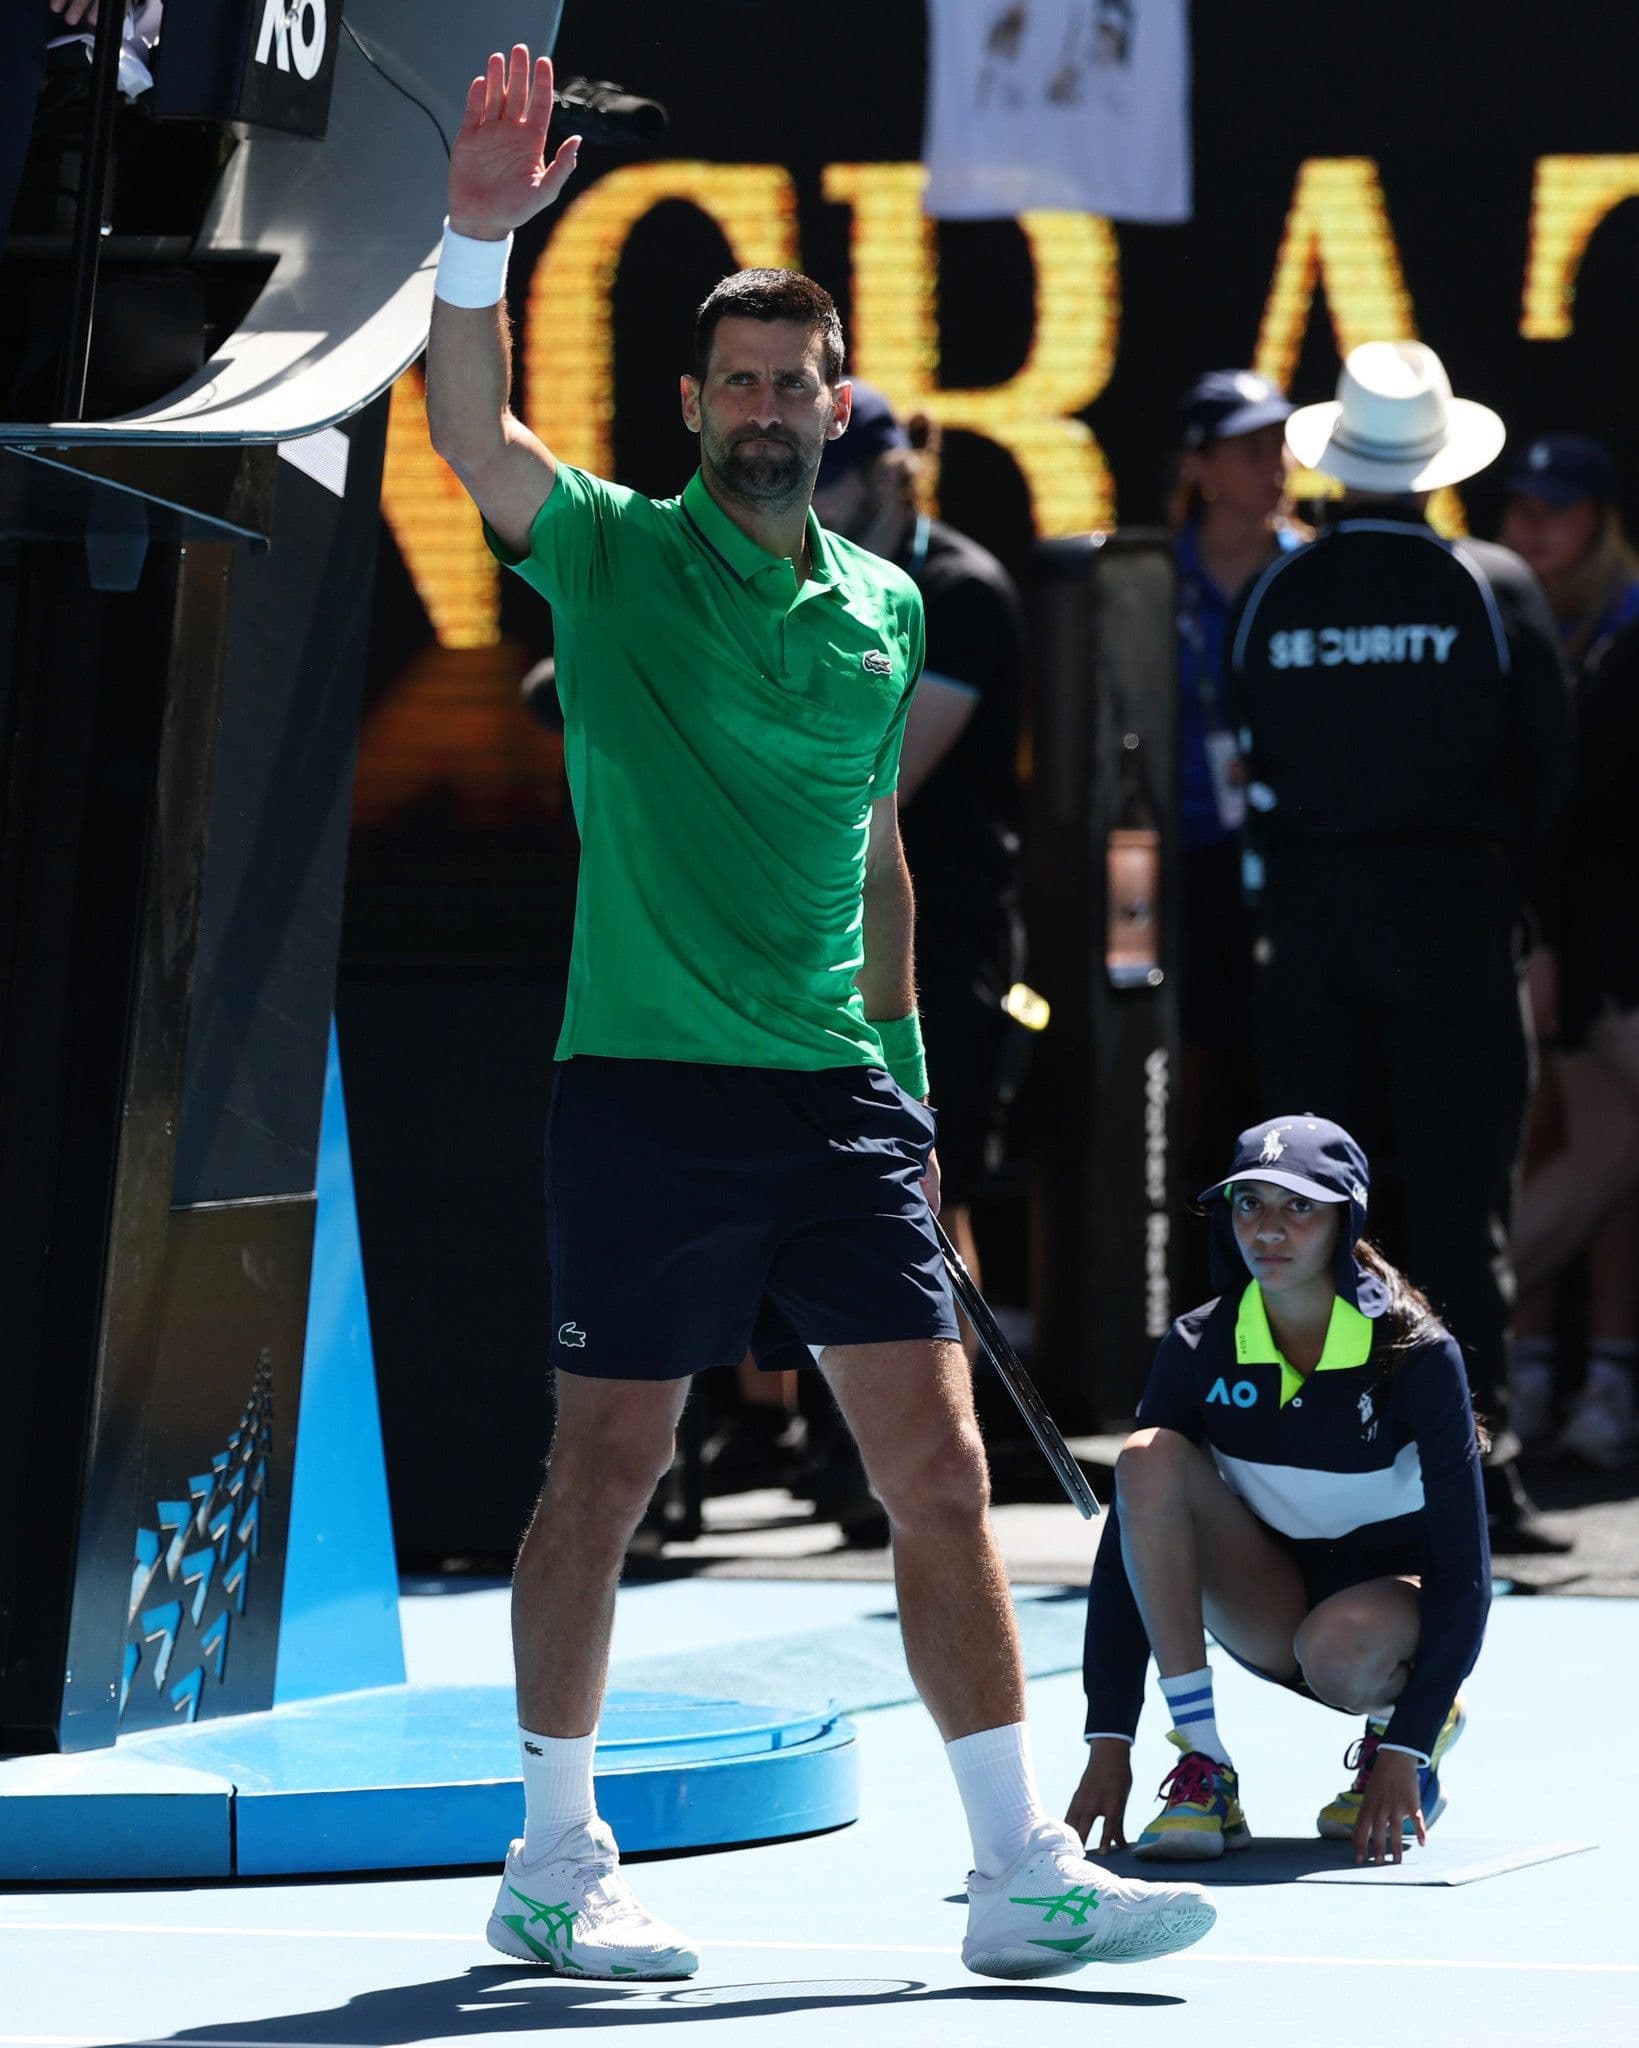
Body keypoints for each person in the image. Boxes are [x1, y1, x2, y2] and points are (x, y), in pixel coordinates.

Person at [424, 44, 1213, 1983]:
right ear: (694, 406)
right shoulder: (606, 555)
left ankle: (1018, 1868)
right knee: (600, 1474)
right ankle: (548, 1859)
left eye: (800, 382)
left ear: (836, 402)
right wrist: (471, 241)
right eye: (742, 384)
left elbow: (880, 865)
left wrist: (919, 1105)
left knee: (939, 1475)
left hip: (847, 1099)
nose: (774, 408)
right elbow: (466, 429)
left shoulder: (883, 609)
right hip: (644, 1092)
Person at [1225, 341, 1575, 1553]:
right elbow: (1553, 777)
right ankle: (1482, 1477)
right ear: (1435, 468)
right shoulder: (1493, 584)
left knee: (1311, 1219)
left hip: (1311, 930)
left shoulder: (1275, 594)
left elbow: (1242, 763)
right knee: (1458, 1207)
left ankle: (1302, 1478)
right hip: (1448, 921)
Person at [1068, 1115, 1489, 1868]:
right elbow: (1130, 1537)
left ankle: (1400, 1714)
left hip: (1383, 1621)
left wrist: (1410, 1739)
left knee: (1337, 1645)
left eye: (1299, 1206)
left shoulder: (1418, 1353)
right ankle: (1203, 1770)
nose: (1268, 1229)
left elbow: (1467, 1567)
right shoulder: (1198, 1346)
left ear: (1344, 1219)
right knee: (1144, 1461)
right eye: (1248, 1203)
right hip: (1272, 1604)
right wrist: (1110, 1737)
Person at [1499, 439, 1639, 1464]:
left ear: (1600, 519)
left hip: (1615, 949)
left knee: (1603, 1159)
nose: (1534, 528)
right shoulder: (1526, 626)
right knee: (1592, 1159)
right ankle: (1441, 1348)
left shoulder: (1623, 630)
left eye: (1559, 509)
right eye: (1523, 509)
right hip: (1588, 951)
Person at [1166, 370, 1304, 1222]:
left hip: (1294, 864)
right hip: (1187, 867)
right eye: (1249, 449)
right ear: (1201, 466)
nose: (1274, 466)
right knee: (1179, 1076)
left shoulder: (1313, 573)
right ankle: (1170, 1270)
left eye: (1278, 446)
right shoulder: (1152, 578)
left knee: (1285, 1074)